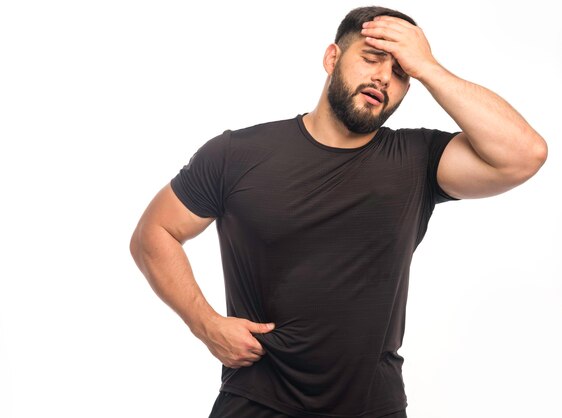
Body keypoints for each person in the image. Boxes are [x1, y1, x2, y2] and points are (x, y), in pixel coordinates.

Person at [129, 5, 547, 418]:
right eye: (371, 58)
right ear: (332, 58)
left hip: (373, 407)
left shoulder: (417, 160)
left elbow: (523, 155)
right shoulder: (236, 154)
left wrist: (428, 67)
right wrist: (205, 323)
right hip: (257, 402)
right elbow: (155, 233)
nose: (384, 76)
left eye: (401, 72)